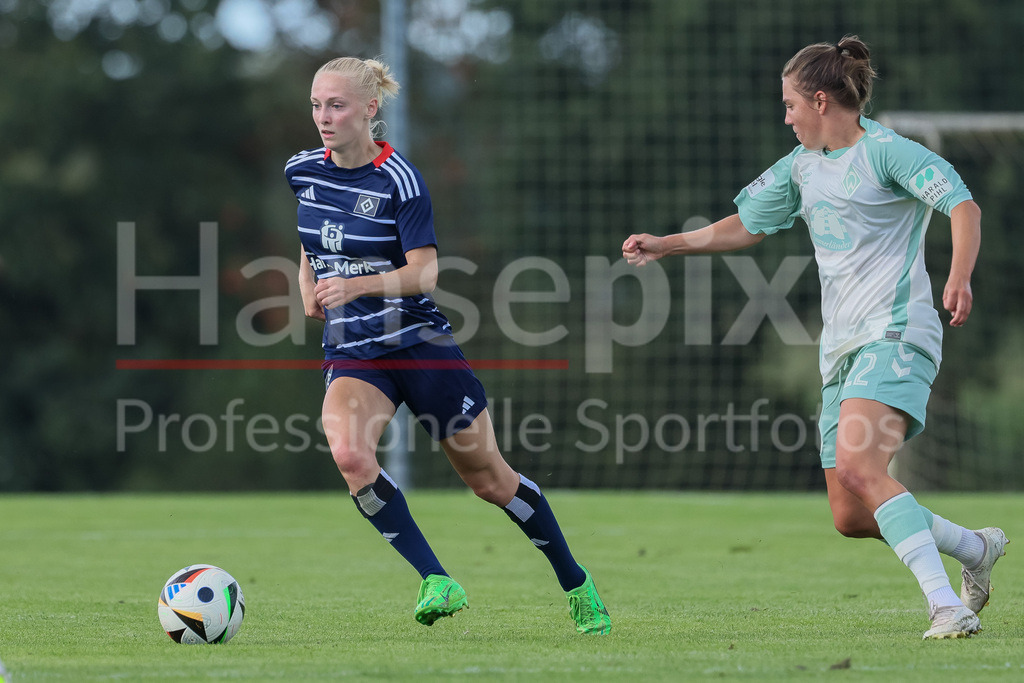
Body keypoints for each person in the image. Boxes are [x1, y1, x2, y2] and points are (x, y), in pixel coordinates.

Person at [622, 36, 1007, 640]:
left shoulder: (889, 153)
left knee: (860, 465)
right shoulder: (800, 167)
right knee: (850, 514)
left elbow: (963, 206)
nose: (786, 117)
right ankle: (974, 548)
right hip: (843, 349)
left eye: (790, 105)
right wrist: (666, 244)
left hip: (897, 332)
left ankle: (945, 606)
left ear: (821, 101)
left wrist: (958, 277)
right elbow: (745, 225)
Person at [285, 56, 610, 635]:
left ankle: (575, 581)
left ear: (369, 108)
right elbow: (311, 234)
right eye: (316, 104)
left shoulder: (400, 181)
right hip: (355, 352)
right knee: (350, 453)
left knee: (491, 481)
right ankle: (436, 579)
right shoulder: (302, 169)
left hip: (421, 346)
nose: (323, 117)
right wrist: (309, 285)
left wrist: (351, 283)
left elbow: (424, 274)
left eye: (336, 104)